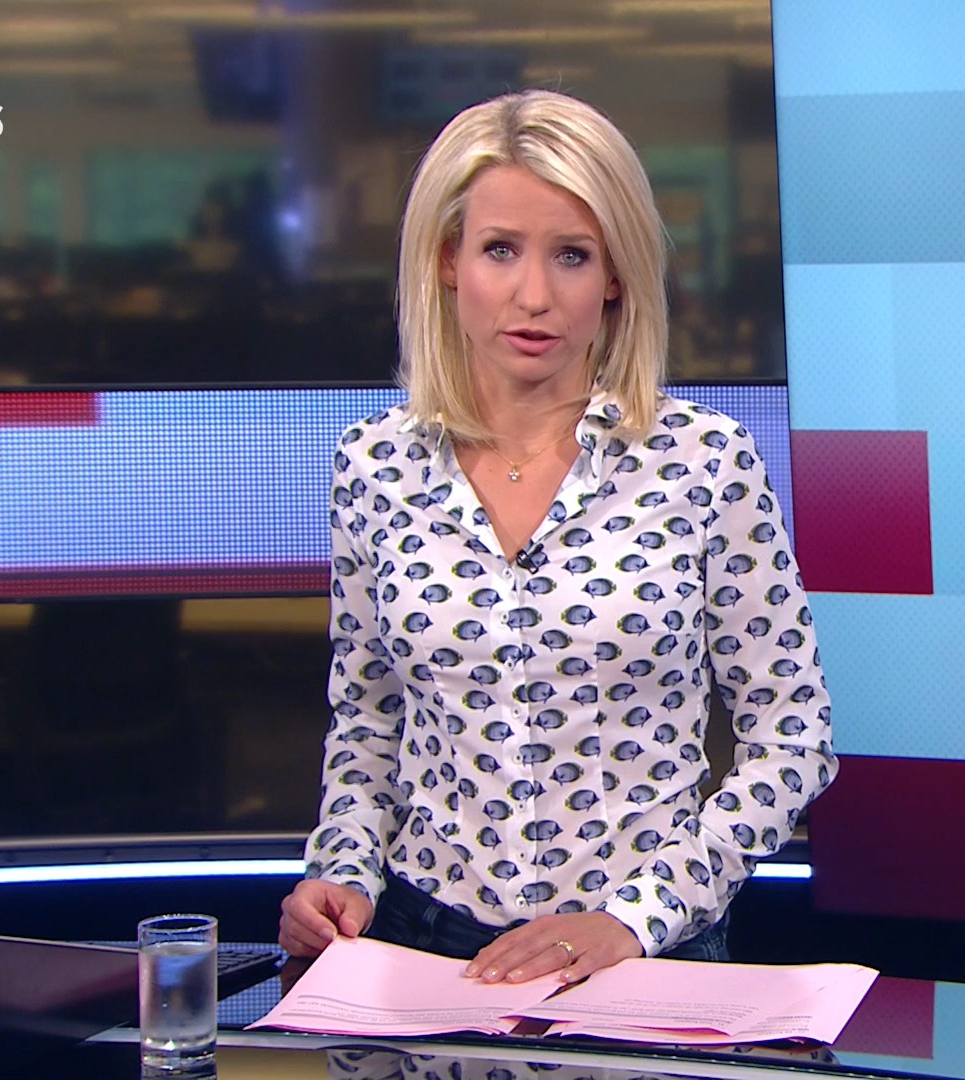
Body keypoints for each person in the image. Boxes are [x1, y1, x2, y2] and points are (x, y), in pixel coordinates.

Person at [279, 90, 835, 987]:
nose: (534, 296)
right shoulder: (374, 465)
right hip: (422, 948)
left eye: (571, 255)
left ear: (615, 273)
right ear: (448, 260)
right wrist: (341, 868)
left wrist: (635, 917)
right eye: (500, 249)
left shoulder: (704, 461)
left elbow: (793, 734)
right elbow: (370, 718)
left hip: (642, 950)